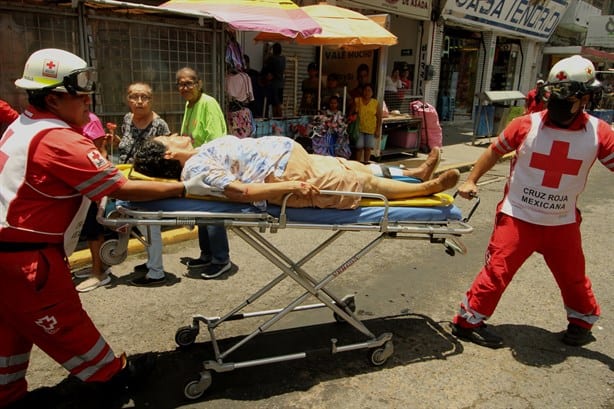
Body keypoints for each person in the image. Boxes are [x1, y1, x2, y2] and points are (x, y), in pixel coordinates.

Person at [0, 48, 216, 408]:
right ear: (52, 98)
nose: (88, 102)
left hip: (10, 262)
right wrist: (186, 188)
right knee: (96, 362)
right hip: (29, 269)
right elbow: (120, 187)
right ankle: (116, 386)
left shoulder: (22, 126)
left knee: (7, 353)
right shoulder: (60, 140)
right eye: (80, 96)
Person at [451, 55, 613, 349]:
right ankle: (467, 322)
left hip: (561, 223)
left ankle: (581, 320)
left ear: (585, 98)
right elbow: (494, 151)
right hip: (518, 216)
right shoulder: (525, 125)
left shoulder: (600, 133)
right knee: (496, 272)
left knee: (573, 277)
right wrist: (471, 179)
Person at [133, 134, 459, 210]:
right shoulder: (196, 169)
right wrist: (289, 184)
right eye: (168, 137)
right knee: (361, 182)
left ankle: (414, 173)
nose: (174, 132)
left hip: (292, 159)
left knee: (354, 166)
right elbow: (239, 192)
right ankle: (425, 189)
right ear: (168, 153)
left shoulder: (200, 153)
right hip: (286, 177)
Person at [176, 67, 233, 279]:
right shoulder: (189, 105)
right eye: (181, 84)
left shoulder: (208, 103)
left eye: (189, 83)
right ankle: (207, 254)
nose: (185, 87)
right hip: (196, 165)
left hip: (211, 165)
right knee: (201, 211)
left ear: (199, 83)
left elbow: (217, 140)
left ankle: (221, 259)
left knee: (211, 212)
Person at [118, 82, 172, 286]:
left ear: (151, 100)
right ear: (128, 99)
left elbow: (166, 157)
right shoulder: (127, 119)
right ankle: (152, 260)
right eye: (134, 96)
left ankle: (156, 272)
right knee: (140, 226)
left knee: (151, 227)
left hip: (147, 184)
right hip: (126, 181)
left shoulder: (159, 125)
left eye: (145, 97)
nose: (139, 102)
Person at [73, 113, 114, 292]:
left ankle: (99, 273)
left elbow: (100, 152)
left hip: (89, 181)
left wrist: (99, 186)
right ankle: (97, 266)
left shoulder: (91, 119)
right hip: (72, 182)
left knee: (92, 227)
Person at [352, 83, 381, 164]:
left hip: (370, 129)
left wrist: (378, 129)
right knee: (359, 147)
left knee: (368, 148)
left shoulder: (375, 103)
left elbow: (379, 117)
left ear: (372, 92)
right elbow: (351, 112)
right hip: (359, 128)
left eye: (369, 90)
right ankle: (357, 164)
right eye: (365, 90)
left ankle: (366, 163)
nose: (367, 92)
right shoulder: (357, 100)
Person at [262, 42, 285, 117]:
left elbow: (266, 64)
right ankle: (279, 117)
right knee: (279, 103)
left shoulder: (272, 59)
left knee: (275, 104)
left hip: (274, 85)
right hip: (281, 84)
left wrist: (268, 51)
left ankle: (276, 118)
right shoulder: (283, 59)